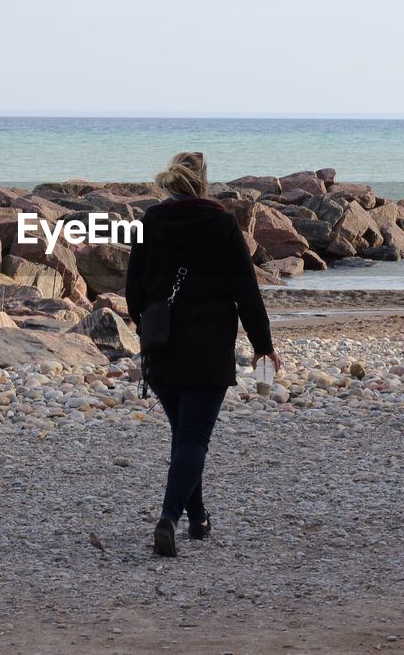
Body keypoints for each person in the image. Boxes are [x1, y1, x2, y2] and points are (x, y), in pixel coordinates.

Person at [125, 151, 279, 557]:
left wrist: (146, 325)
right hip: (209, 351)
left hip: (162, 349)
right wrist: (263, 347)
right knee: (193, 438)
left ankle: (199, 518)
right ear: (204, 182)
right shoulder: (223, 224)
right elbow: (247, 292)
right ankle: (168, 518)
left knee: (184, 437)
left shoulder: (149, 222)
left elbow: (132, 290)